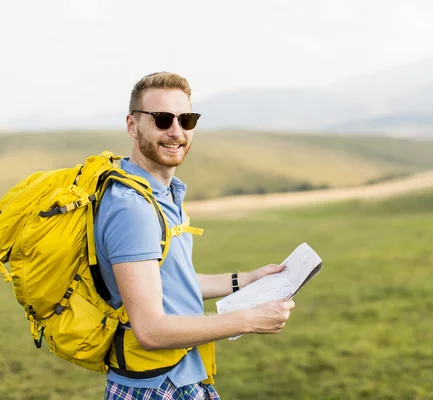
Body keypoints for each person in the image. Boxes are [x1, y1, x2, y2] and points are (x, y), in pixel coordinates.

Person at [94, 71, 295, 400]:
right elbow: (151, 330)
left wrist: (247, 279)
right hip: (155, 386)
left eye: (186, 120)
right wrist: (248, 320)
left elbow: (173, 284)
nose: (176, 132)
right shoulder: (132, 208)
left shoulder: (163, 194)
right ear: (132, 125)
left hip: (182, 376)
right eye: (161, 119)